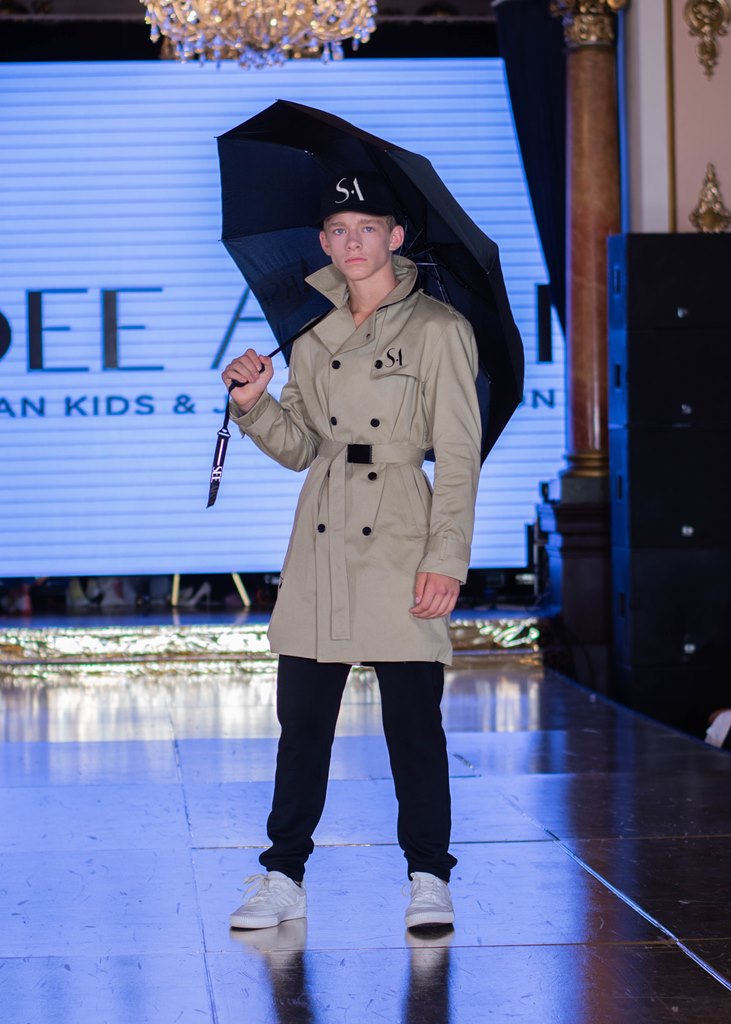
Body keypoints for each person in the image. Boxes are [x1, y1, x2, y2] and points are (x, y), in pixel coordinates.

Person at [222, 173, 482, 931]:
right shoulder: (309, 325)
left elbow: (458, 456)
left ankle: (429, 876)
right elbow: (301, 447)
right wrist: (253, 404)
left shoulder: (438, 327)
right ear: (323, 242)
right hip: (324, 528)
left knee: (413, 723)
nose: (351, 243)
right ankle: (282, 875)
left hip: (402, 529)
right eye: (337, 230)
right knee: (301, 721)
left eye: (366, 228)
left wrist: (447, 558)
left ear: (395, 237)